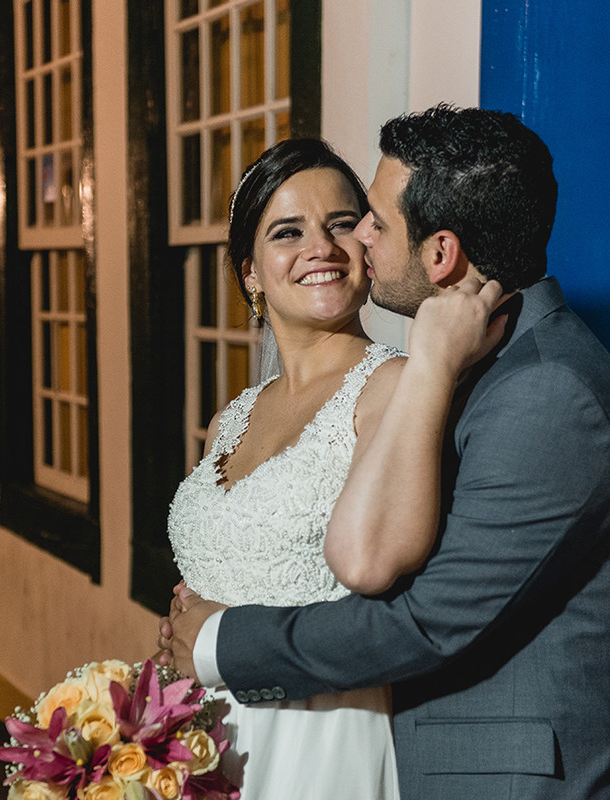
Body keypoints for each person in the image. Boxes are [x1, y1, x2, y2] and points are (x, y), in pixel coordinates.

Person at [160, 105, 610, 800]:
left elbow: (425, 619)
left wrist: (219, 644)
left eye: (368, 221)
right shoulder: (491, 365)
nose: (354, 240)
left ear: (441, 253)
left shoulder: (548, 394)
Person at [164, 136, 501, 799]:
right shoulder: (232, 418)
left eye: (343, 225)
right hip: (199, 733)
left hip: (317, 741)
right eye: (288, 232)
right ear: (251, 271)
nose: (322, 247)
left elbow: (383, 555)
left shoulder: (394, 387)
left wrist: (435, 360)